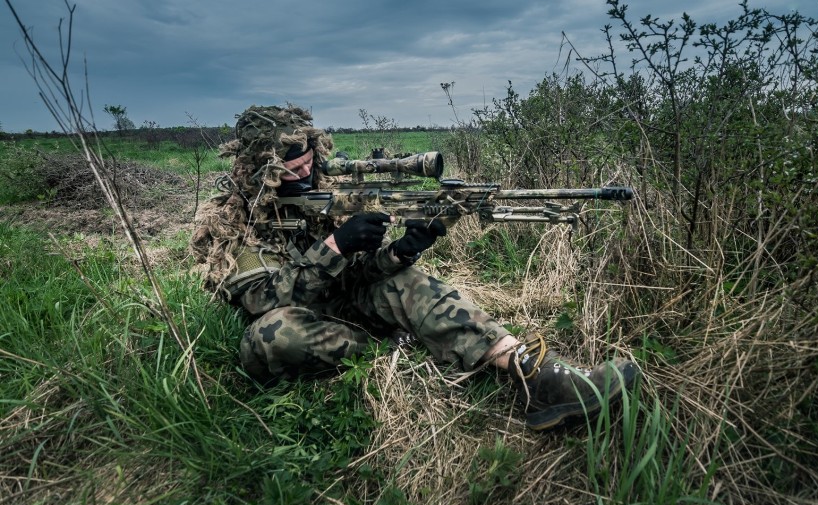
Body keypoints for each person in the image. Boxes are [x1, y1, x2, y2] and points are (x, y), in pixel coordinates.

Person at [191, 105, 639, 431]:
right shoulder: (232, 219)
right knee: (272, 334)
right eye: (293, 169)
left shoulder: (326, 195)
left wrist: (398, 252)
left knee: (405, 281)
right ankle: (396, 350)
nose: (307, 174)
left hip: (345, 305)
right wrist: (333, 246)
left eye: (311, 162)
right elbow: (263, 301)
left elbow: (360, 275)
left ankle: (537, 375)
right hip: (300, 323)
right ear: (260, 169)